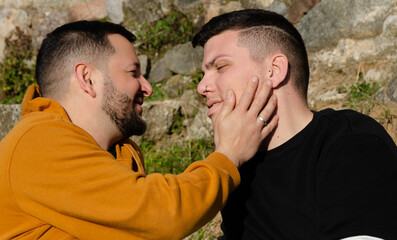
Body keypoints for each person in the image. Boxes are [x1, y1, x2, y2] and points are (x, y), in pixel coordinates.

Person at [0, 20, 279, 239]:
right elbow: (161, 215)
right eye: (133, 73)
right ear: (88, 79)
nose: (147, 87)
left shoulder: (119, 150)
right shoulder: (38, 142)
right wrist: (229, 154)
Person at [192, 9, 397, 240]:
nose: (202, 87)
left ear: (274, 70)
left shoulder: (351, 143)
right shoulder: (236, 169)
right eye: (203, 74)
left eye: (220, 67)